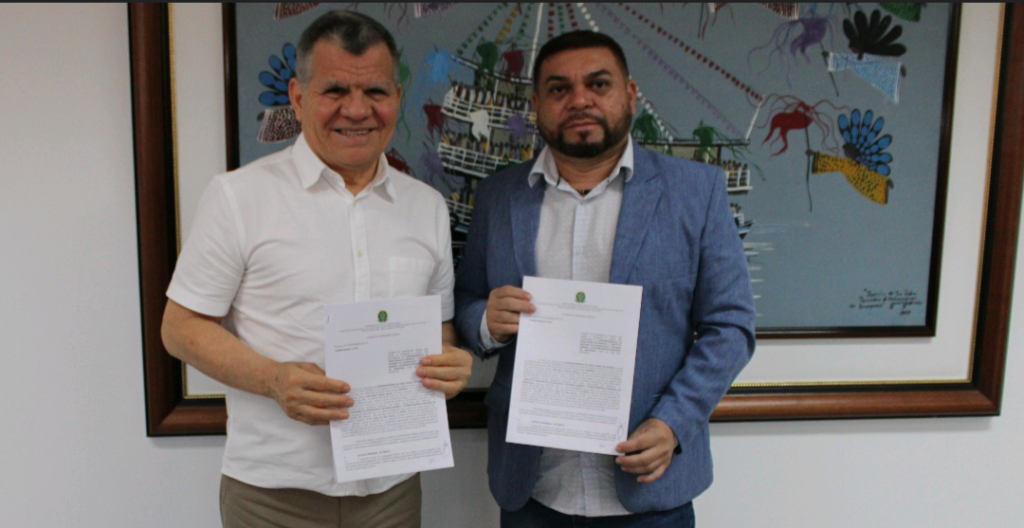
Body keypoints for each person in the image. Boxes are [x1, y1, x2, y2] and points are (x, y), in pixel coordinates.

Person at [161, 11, 472, 528]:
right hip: (272, 495)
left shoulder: (427, 207)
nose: (358, 110)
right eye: (335, 91)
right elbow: (180, 328)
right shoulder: (238, 196)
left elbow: (438, 330)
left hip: (391, 491)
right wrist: (272, 379)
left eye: (375, 91)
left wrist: (451, 364)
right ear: (299, 97)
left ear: (397, 97)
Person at [453, 31, 755, 527]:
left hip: (651, 493)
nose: (579, 100)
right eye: (559, 89)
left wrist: (673, 422)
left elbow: (731, 327)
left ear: (630, 94)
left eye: (598, 84)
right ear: (537, 105)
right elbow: (466, 298)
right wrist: (485, 321)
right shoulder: (497, 196)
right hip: (533, 493)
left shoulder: (695, 191)